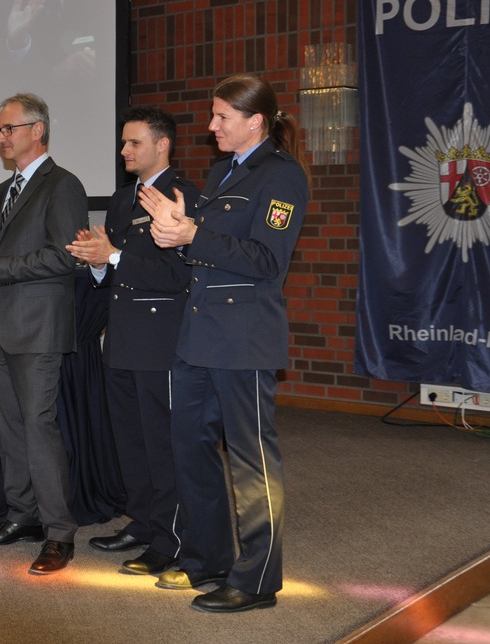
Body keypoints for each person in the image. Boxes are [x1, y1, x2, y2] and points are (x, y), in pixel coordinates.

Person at [141, 74, 309, 613]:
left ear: (255, 120)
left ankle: (257, 580)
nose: (210, 126)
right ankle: (207, 559)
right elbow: (210, 253)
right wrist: (175, 233)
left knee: (251, 461)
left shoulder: (281, 177)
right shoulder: (221, 172)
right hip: (198, 335)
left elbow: (266, 261)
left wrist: (192, 235)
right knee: (190, 448)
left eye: (221, 117)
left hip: (243, 338)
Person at [0, 92, 88, 575]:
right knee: (11, 428)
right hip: (1, 328)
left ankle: (58, 533)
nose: (1, 138)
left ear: (37, 130)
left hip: (39, 329)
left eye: (9, 129)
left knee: (38, 427)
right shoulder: (0, 191)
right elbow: (1, 259)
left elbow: (67, 256)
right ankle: (22, 515)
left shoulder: (63, 185)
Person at [66, 106, 199, 576]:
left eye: (134, 143)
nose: (124, 150)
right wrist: (98, 261)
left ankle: (172, 538)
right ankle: (142, 523)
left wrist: (116, 256)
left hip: (160, 341)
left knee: (162, 444)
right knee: (131, 442)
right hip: (120, 339)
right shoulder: (125, 200)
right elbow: (111, 278)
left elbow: (176, 275)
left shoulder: (183, 197)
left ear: (162, 145)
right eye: (123, 142)